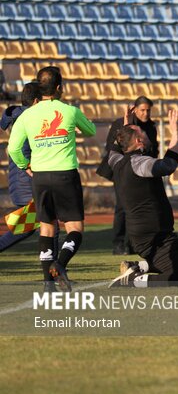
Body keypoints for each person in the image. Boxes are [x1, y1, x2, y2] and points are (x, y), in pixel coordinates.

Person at [7, 66, 97, 291]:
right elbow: (91, 131)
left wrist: (24, 166)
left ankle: (48, 284)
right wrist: (74, 131)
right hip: (65, 174)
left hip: (40, 177)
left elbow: (13, 148)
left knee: (46, 228)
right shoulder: (70, 111)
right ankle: (61, 263)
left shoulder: (27, 114)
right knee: (75, 227)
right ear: (59, 88)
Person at [108, 109, 178, 287]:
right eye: (142, 132)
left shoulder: (116, 161)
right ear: (138, 141)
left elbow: (114, 146)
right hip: (155, 237)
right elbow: (168, 165)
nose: (146, 133)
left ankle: (136, 267)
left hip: (149, 235)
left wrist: (125, 126)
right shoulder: (140, 163)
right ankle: (132, 281)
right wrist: (177, 132)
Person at [0, 82, 59, 255]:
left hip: (23, 181)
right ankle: (54, 269)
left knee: (28, 227)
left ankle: (54, 268)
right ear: (35, 101)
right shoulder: (29, 119)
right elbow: (24, 149)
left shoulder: (21, 117)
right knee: (49, 224)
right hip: (28, 182)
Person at [97, 96, 159, 256]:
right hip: (123, 170)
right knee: (122, 207)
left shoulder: (151, 127)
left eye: (148, 110)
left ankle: (134, 244)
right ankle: (118, 244)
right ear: (135, 109)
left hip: (142, 172)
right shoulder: (120, 124)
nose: (146, 113)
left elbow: (154, 149)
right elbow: (113, 147)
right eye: (142, 110)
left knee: (139, 209)